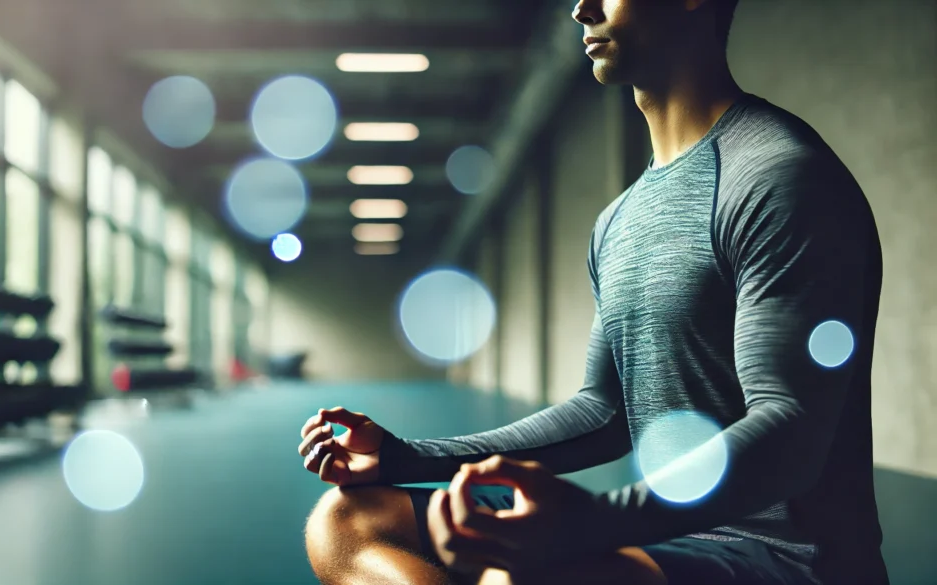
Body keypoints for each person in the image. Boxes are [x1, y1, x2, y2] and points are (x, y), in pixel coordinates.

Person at [299, 0, 890, 583]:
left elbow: (790, 426)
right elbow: (604, 412)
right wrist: (404, 458)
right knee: (350, 522)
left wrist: (596, 522)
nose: (582, 9)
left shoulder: (777, 176)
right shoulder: (618, 219)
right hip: (662, 539)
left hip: (783, 560)